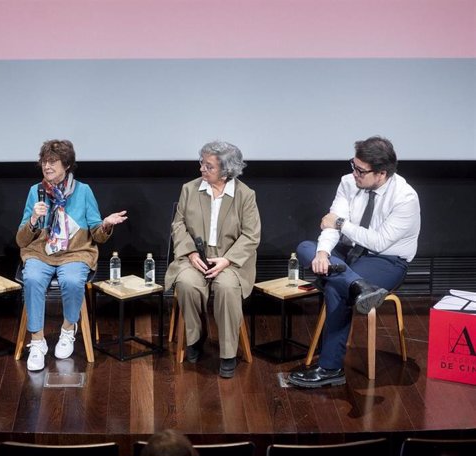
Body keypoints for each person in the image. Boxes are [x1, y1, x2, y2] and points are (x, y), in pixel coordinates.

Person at [288, 136, 420, 388]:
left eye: (361, 170)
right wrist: (324, 253)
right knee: (307, 248)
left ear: (381, 173)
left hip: (387, 260)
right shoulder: (348, 183)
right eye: (353, 165)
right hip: (349, 254)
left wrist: (339, 224)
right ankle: (359, 286)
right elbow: (330, 227)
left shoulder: (405, 197)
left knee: (337, 289)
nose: (354, 173)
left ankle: (330, 368)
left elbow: (378, 241)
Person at [16, 139, 127, 371]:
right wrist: (34, 219)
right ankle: (37, 342)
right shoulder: (35, 192)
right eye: (44, 162)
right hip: (40, 252)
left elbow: (97, 233)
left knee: (72, 279)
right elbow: (21, 240)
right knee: (33, 278)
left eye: (52, 162)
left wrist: (106, 224)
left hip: (76, 252)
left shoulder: (83, 191)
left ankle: (68, 329)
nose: (47, 167)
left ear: (66, 165)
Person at [165, 141, 261, 378]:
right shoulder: (190, 189)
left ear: (226, 170)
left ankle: (228, 352)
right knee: (187, 283)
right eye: (202, 163)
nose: (202, 170)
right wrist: (191, 252)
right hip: (195, 255)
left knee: (227, 288)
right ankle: (196, 337)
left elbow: (251, 235)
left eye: (208, 166)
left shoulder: (245, 195)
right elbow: (178, 225)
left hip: (230, 259)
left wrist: (227, 261)